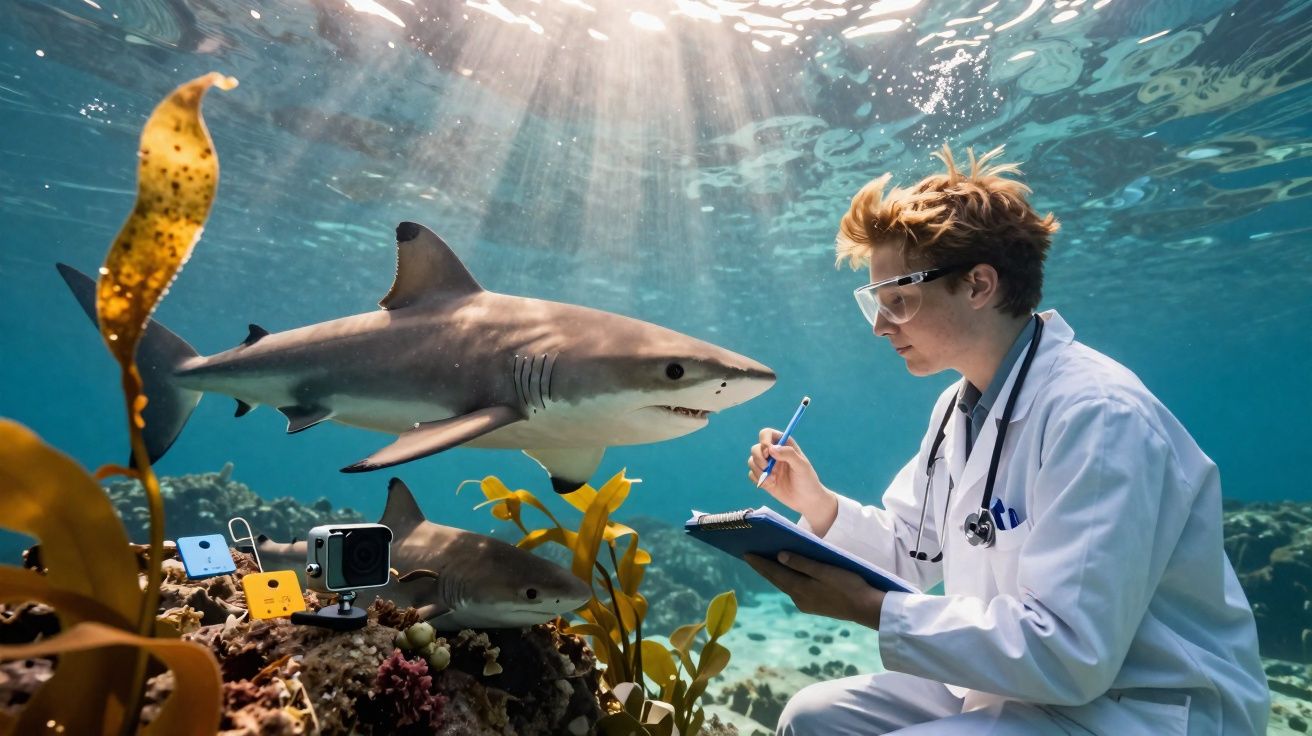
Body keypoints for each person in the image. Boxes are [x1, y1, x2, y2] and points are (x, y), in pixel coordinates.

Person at [744, 145, 1268, 735]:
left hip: (1138, 704)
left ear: (978, 285)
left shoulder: (1097, 415)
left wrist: (871, 611)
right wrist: (814, 502)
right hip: (1024, 688)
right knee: (812, 718)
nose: (880, 325)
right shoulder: (958, 407)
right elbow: (911, 553)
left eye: (897, 300)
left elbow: (1072, 654)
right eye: (875, 301)